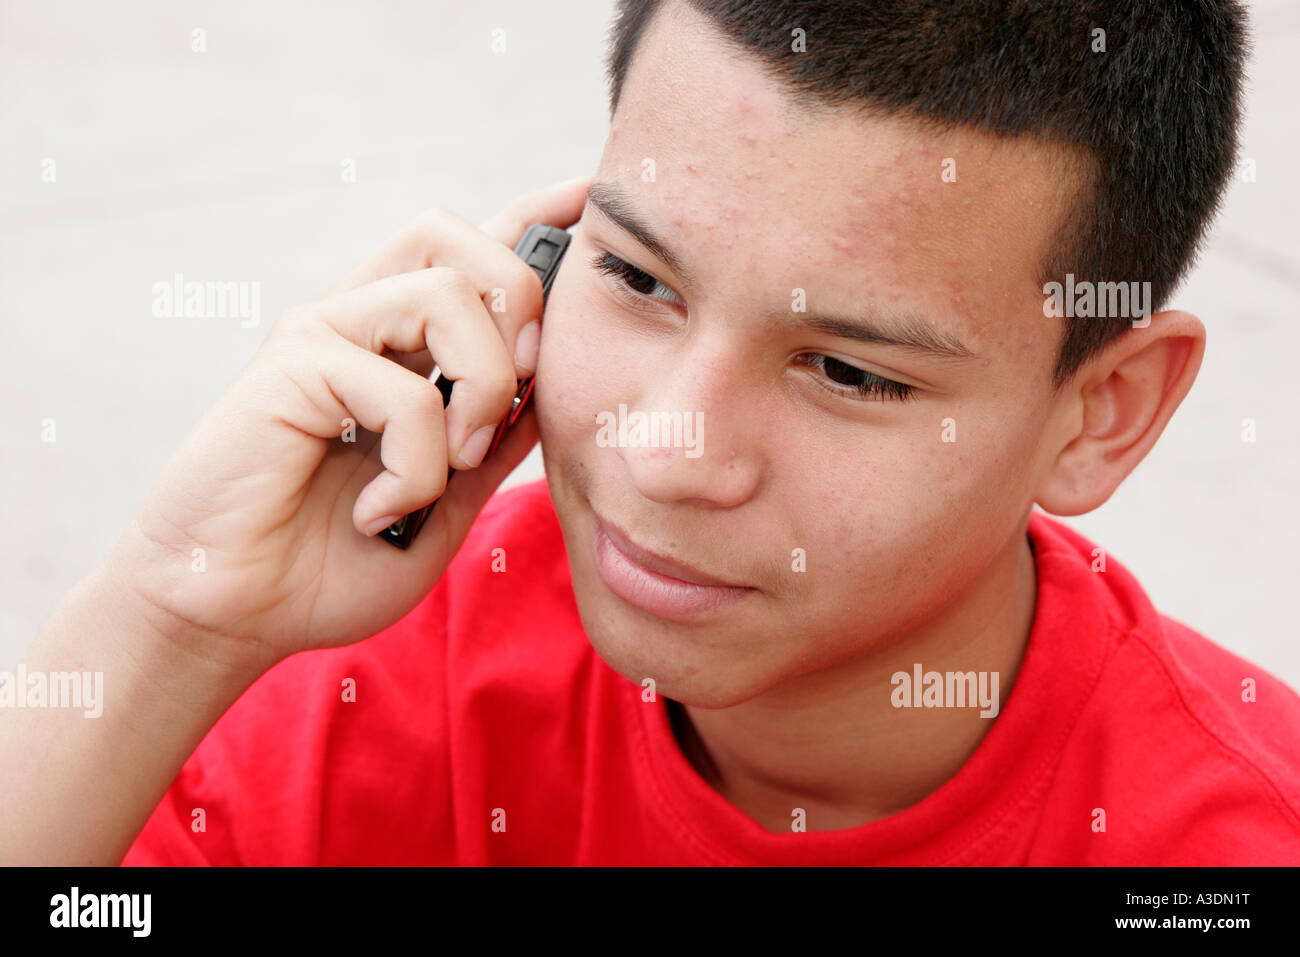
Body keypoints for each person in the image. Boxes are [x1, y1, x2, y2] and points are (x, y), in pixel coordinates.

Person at [4, 0, 1297, 865]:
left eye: (847, 368)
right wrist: (176, 617)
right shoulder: (402, 644)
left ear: (1103, 410)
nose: (664, 452)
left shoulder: (1228, 839)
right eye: (635, 280)